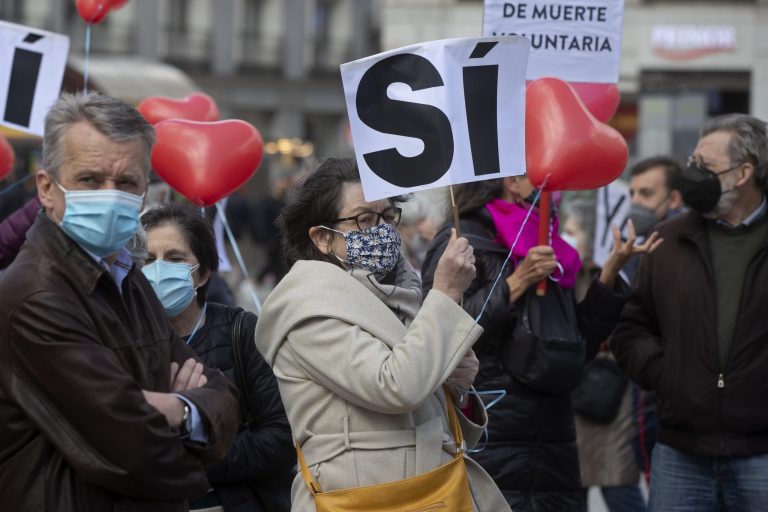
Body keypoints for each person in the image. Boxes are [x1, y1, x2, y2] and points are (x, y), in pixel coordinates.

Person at [0, 93, 239, 510]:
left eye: (126, 182)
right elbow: (133, 450)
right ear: (47, 189)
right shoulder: (35, 294)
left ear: (145, 193)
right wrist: (191, 418)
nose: (109, 196)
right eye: (90, 180)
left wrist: (175, 410)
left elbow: (224, 396)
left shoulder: (130, 278)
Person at [255, 157, 512, 511]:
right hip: (368, 498)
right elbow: (395, 387)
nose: (382, 230)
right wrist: (446, 293)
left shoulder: (399, 293)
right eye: (363, 219)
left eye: (388, 216)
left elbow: (427, 413)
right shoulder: (307, 308)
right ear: (323, 237)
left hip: (432, 489)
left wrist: (456, 389)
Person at [421, 176, 659, 511]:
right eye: (537, 169)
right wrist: (517, 282)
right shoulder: (462, 238)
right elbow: (442, 331)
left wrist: (609, 278)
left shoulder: (549, 242)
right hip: (492, 426)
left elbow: (575, 346)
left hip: (553, 437)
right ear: (511, 180)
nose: (553, 184)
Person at [612, 113, 768, 511]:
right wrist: (668, 375)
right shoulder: (668, 239)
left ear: (743, 174)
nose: (692, 174)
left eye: (705, 165)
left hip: (761, 453)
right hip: (681, 452)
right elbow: (632, 328)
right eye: (692, 161)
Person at [141, 202, 296, 512]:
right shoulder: (124, 339)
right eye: (147, 260)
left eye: (174, 258)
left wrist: (195, 458)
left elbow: (281, 438)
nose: (157, 270)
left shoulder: (241, 331)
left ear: (203, 273)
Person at [563, 199, 646, 512]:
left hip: (611, 398)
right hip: (577, 400)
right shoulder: (566, 273)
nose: (568, 238)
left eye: (574, 231)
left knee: (620, 490)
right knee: (575, 491)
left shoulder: (614, 274)